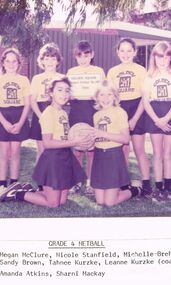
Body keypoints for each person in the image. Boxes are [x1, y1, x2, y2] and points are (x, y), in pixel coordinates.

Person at [0, 77, 93, 207]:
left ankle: (28, 190)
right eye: (60, 90)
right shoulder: (48, 113)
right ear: (51, 93)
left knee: (62, 201)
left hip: (65, 157)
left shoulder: (63, 113)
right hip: (53, 159)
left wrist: (82, 139)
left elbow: (65, 137)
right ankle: (16, 193)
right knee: (53, 203)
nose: (64, 94)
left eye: (66, 91)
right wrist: (74, 142)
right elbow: (47, 143)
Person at [107, 38, 151, 195]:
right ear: (118, 52)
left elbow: (145, 98)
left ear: (134, 52)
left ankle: (146, 183)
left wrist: (134, 119)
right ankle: (124, 182)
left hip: (137, 108)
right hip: (120, 110)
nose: (125, 54)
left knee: (139, 148)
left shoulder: (141, 70)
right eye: (122, 50)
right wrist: (120, 118)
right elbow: (110, 97)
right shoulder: (112, 72)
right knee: (123, 149)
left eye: (129, 50)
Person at [143, 41, 171, 201]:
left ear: (170, 58)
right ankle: (158, 186)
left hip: (170, 115)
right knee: (157, 154)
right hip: (154, 114)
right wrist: (157, 120)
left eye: (166, 57)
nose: (162, 60)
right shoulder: (149, 76)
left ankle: (167, 188)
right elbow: (146, 101)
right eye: (159, 57)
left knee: (168, 154)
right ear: (154, 57)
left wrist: (166, 119)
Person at [0, 48, 30, 195]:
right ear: (3, 63)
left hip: (18, 116)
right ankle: (2, 185)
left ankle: (14, 184)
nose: (11, 64)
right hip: (2, 116)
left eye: (14, 61)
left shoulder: (24, 80)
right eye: (8, 61)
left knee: (15, 152)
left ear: (19, 63)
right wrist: (4, 122)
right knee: (4, 153)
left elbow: (27, 104)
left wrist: (20, 123)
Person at [91, 80, 139, 206]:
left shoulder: (120, 112)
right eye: (102, 94)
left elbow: (125, 139)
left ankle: (134, 190)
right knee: (100, 201)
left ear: (115, 96)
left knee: (110, 202)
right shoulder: (96, 115)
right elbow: (97, 138)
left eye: (109, 94)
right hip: (99, 156)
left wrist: (102, 134)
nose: (105, 98)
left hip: (113, 156)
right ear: (96, 97)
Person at [67, 40, 105, 193]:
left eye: (86, 55)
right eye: (80, 56)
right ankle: (76, 181)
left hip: (93, 110)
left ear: (92, 55)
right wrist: (70, 96)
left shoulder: (99, 71)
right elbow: (66, 93)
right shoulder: (71, 72)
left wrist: (98, 96)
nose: (83, 59)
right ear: (75, 57)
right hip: (77, 110)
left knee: (91, 149)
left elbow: (104, 92)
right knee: (77, 148)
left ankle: (90, 182)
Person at [29, 43, 64, 162]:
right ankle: (41, 180)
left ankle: (55, 178)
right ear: (42, 61)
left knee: (56, 150)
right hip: (41, 113)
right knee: (42, 150)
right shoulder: (37, 78)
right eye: (46, 59)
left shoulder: (62, 77)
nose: (50, 62)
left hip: (56, 113)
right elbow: (32, 100)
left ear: (58, 61)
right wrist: (41, 117)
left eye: (53, 59)